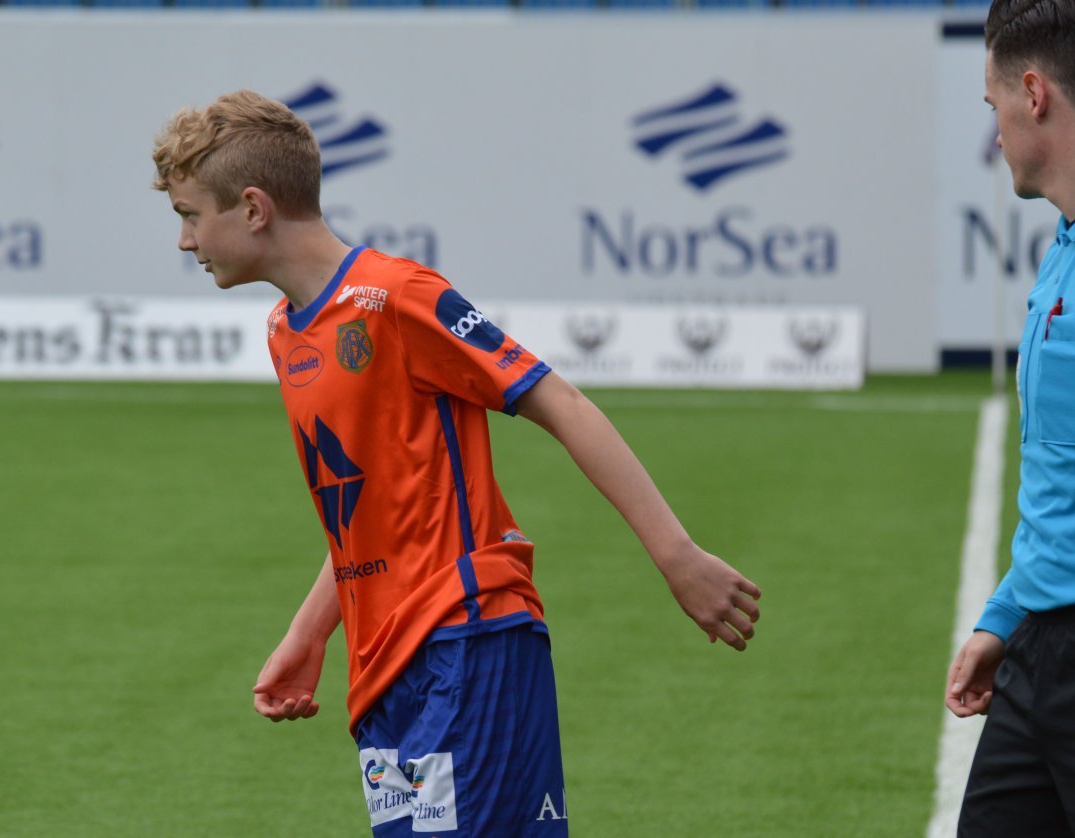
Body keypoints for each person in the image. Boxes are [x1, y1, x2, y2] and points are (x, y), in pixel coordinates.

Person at [151, 90, 762, 835]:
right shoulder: (285, 331)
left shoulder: (398, 298)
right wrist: (311, 633)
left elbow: (560, 403)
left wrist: (677, 555)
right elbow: (369, 505)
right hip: (384, 668)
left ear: (253, 208)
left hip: (468, 638)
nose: (184, 240)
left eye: (189, 215)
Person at [945, 0, 1075, 834]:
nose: (994, 131)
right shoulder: (1069, 243)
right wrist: (1004, 615)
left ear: (1034, 94)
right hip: (1036, 655)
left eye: (993, 103)